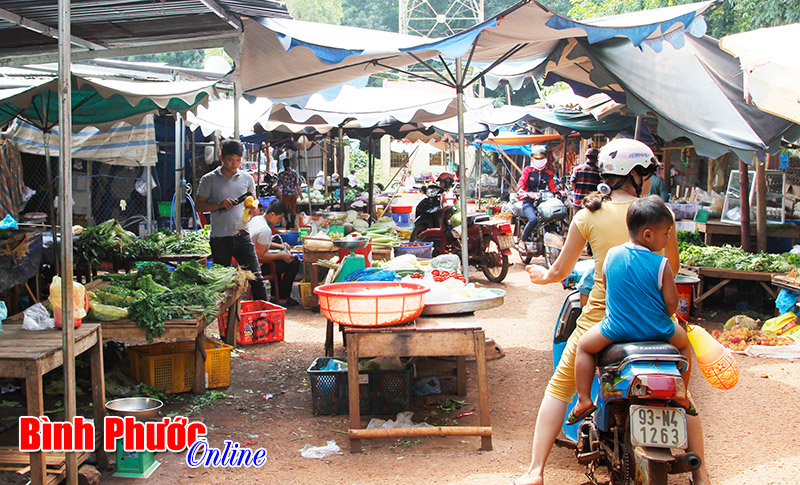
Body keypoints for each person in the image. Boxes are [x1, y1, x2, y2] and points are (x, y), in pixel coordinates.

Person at [514, 138, 711, 485]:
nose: (650, 180)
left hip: (603, 320)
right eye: (648, 173)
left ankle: (535, 471)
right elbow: (672, 270)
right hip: (655, 324)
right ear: (635, 175)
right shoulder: (659, 217)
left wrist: (544, 277)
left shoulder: (587, 214)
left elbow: (560, 272)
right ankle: (702, 474)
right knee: (685, 395)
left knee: (559, 389)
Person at [570, 195, 692, 424]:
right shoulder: (662, 264)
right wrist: (659, 318)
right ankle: (682, 394)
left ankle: (584, 400)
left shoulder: (611, 257)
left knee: (584, 347)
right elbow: (672, 303)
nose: (667, 239)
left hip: (617, 330)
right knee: (685, 345)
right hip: (659, 330)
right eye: (665, 233)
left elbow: (608, 290)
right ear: (648, 235)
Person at [195, 138, 268, 302]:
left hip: (242, 236)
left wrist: (252, 208)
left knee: (256, 279)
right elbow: (199, 206)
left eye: (237, 160)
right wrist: (220, 204)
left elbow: (253, 202)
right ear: (222, 157)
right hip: (220, 238)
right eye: (230, 160)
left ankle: (263, 316)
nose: (234, 164)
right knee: (223, 284)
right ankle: (225, 320)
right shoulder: (209, 179)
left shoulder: (247, 179)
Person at [249, 200, 300, 306]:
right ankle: (283, 298)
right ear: (272, 214)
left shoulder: (257, 219)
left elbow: (262, 243)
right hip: (256, 267)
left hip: (249, 261)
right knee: (294, 263)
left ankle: (274, 296)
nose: (279, 221)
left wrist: (279, 246)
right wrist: (282, 255)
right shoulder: (265, 229)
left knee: (280, 260)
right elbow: (261, 255)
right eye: (279, 218)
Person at [516, 145, 556, 251]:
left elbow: (552, 187)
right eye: (537, 158)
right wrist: (521, 191)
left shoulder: (548, 173)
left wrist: (558, 192)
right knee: (533, 219)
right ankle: (522, 240)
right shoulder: (528, 170)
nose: (539, 160)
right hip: (528, 201)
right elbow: (521, 182)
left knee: (552, 218)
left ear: (545, 159)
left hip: (543, 201)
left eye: (541, 158)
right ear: (532, 158)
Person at [570, 147, 602, 211]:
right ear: (596, 159)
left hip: (577, 202)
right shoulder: (598, 171)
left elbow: (572, 183)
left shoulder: (577, 169)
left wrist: (578, 191)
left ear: (586, 157)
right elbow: (599, 188)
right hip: (590, 204)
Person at [276, 156, 301, 229]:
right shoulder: (294, 173)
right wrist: (300, 194)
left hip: (286, 194)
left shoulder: (281, 174)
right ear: (289, 164)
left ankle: (288, 222)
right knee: (293, 209)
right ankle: (292, 223)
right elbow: (297, 184)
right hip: (294, 193)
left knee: (285, 209)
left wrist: (278, 190)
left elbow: (278, 185)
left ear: (283, 164)